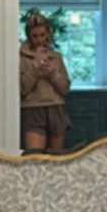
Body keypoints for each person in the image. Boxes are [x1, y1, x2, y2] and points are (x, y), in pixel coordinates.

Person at [19, 10, 71, 154]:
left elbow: (65, 89)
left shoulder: (56, 57)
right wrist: (34, 71)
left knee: (56, 158)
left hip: (56, 107)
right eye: (35, 36)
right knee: (35, 156)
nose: (39, 40)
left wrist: (51, 72)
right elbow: (21, 89)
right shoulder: (20, 57)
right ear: (28, 36)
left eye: (42, 35)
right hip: (33, 108)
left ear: (48, 33)